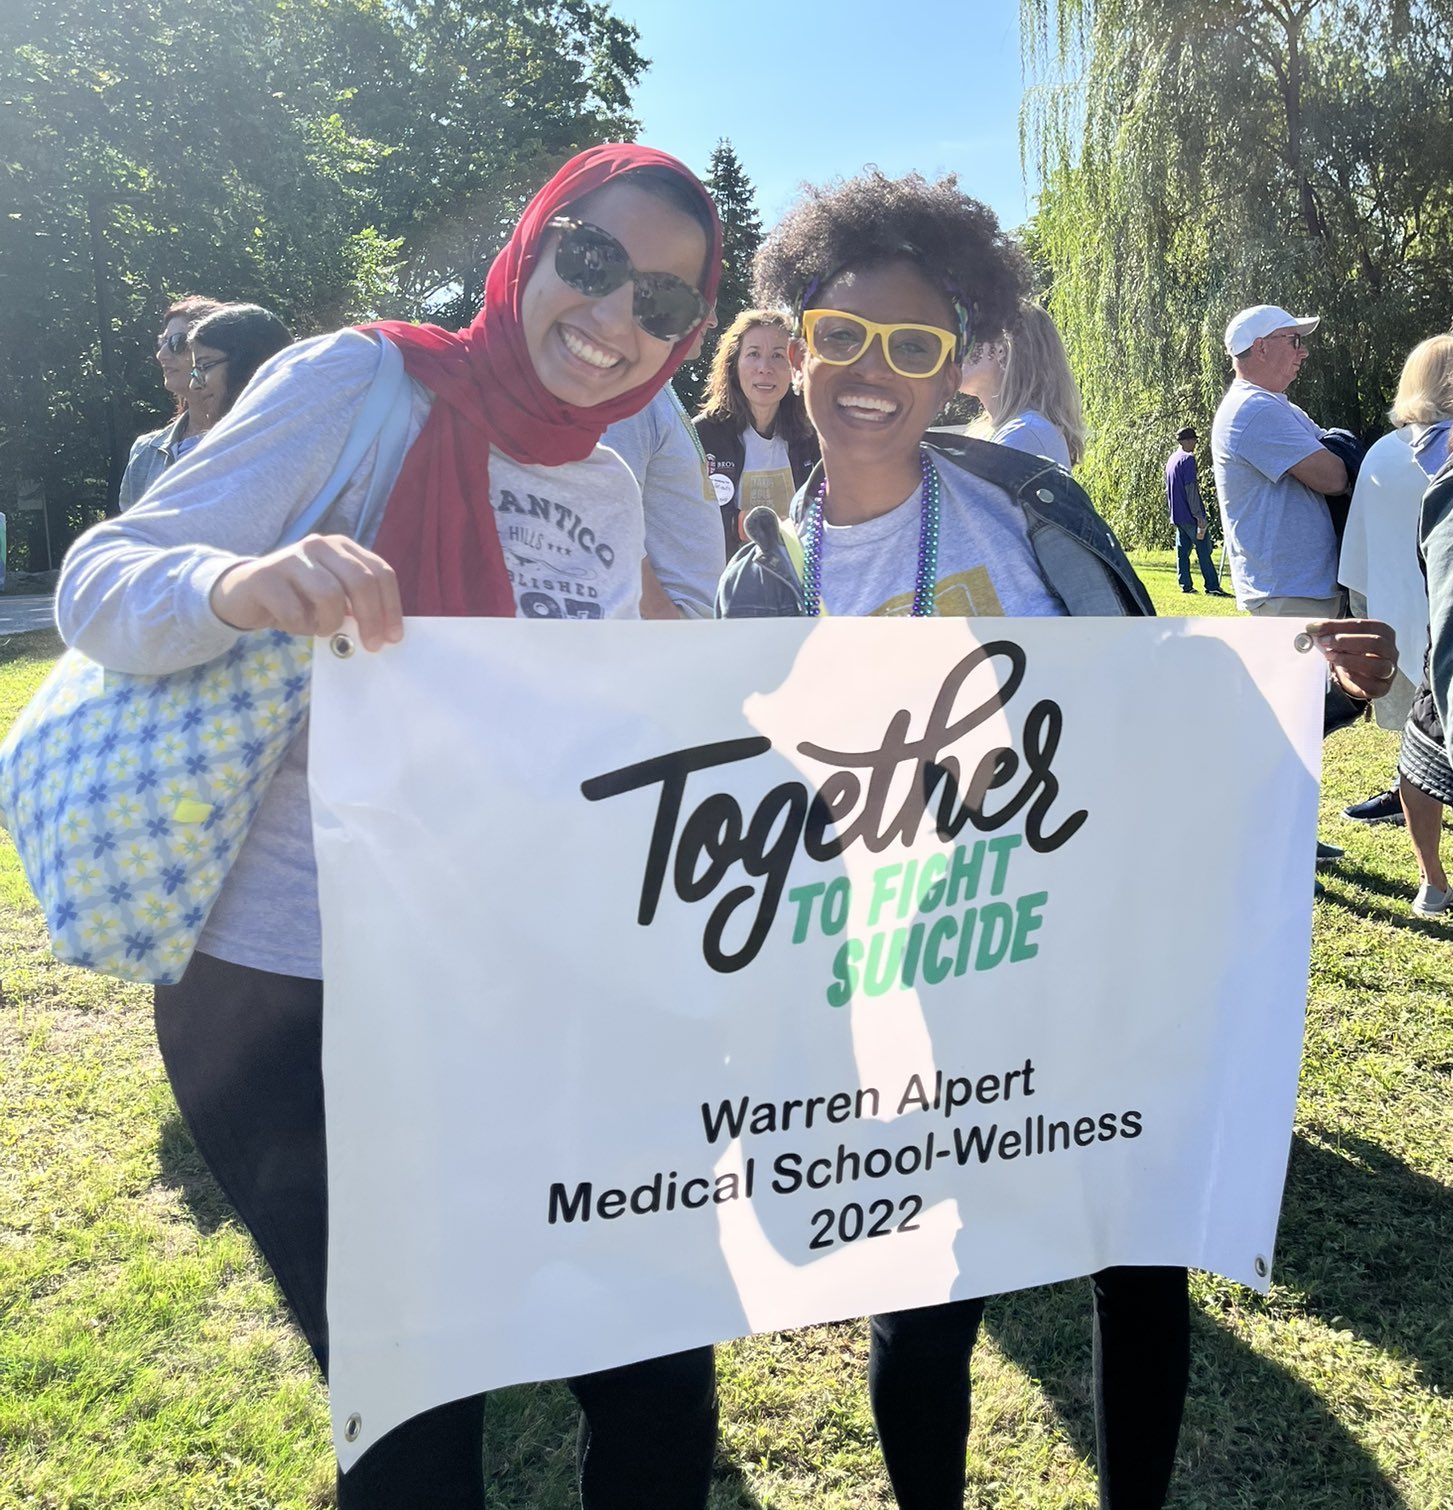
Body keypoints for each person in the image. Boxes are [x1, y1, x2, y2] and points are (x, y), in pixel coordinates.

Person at [56, 144, 722, 1510]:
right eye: (592, 261)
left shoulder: (603, 478)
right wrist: (244, 580)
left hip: (527, 976)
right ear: (533, 241)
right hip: (298, 986)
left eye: (662, 302)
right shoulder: (360, 380)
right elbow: (99, 577)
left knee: (658, 1373)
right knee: (420, 1426)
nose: (614, 319)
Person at [718, 168, 1396, 1509]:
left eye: (911, 346)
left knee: (1131, 1255)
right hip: (899, 973)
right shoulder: (762, 579)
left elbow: (1154, 712)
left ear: (953, 361)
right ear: (794, 346)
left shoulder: (1024, 509)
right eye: (840, 337)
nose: (870, 371)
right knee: (927, 1277)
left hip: (1080, 954)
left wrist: (1320, 690)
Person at [1340, 336, 1453, 911]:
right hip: (1445, 622)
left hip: (1398, 624)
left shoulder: (1383, 451)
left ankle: (1431, 879)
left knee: (1418, 756)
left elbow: (1356, 557)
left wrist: (1370, 627)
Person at [1210, 304, 1346, 617]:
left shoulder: (1276, 406)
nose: (1304, 352)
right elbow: (1334, 477)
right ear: (1260, 348)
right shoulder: (1255, 409)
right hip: (1289, 594)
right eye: (1294, 341)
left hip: (1296, 590)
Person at [603, 310, 724, 618]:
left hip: (678, 642)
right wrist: (669, 626)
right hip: (660, 643)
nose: (713, 321)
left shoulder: (654, 391)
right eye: (705, 305)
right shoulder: (632, 396)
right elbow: (610, 526)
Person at [693, 308, 819, 554]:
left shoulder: (812, 438)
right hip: (720, 584)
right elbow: (689, 518)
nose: (765, 368)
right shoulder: (701, 435)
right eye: (753, 354)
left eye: (777, 356)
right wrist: (753, 526)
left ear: (796, 367)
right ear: (733, 365)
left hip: (794, 584)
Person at [117, 294, 226, 510]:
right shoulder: (145, 453)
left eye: (178, 343)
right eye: (162, 342)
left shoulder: (251, 439)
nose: (161, 354)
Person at [957, 299, 1086, 468]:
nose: (958, 347)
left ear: (1003, 350)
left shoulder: (1026, 433)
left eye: (970, 337)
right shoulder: (1000, 431)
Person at [1165, 425, 1229, 595]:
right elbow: (1190, 489)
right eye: (1193, 440)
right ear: (1186, 441)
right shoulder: (1188, 459)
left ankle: (1185, 585)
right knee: (1203, 549)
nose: (1195, 443)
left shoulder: (1172, 459)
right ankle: (1212, 586)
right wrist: (1199, 516)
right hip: (1190, 514)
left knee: (1182, 551)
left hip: (1177, 514)